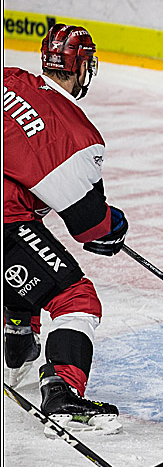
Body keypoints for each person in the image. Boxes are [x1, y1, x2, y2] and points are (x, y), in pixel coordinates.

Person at [3, 24, 128, 435]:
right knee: (76, 298)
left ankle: (13, 351)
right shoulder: (77, 135)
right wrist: (114, 226)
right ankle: (62, 396)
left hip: (12, 220)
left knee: (28, 262)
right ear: (80, 66)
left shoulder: (10, 78)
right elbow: (91, 228)